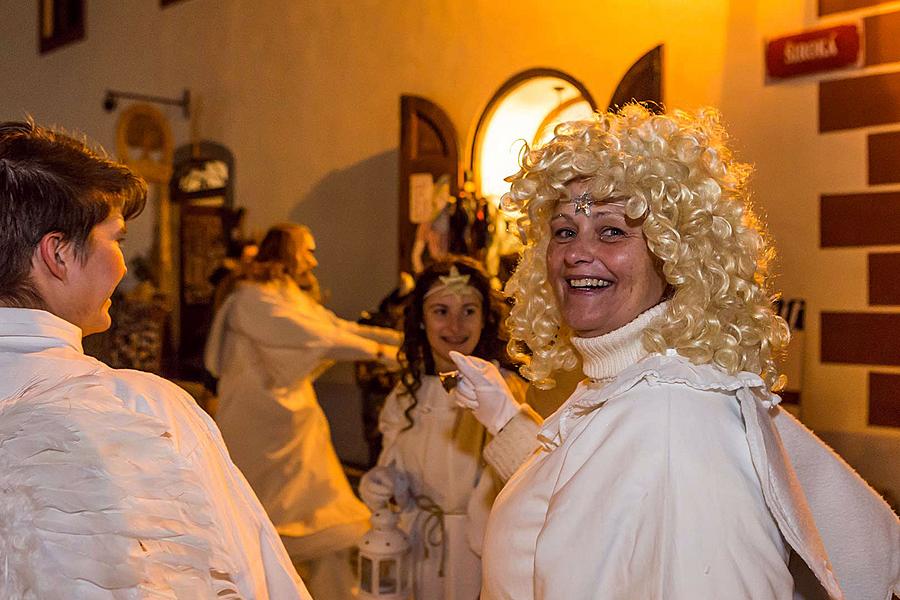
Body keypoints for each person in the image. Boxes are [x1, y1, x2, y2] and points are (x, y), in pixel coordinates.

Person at [449, 105, 900, 599]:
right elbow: (576, 514)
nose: (577, 252)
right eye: (564, 230)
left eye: (612, 230)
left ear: (675, 253)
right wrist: (504, 421)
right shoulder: (622, 390)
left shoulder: (674, 417)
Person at [0, 120, 310, 598]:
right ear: (57, 254)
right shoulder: (144, 411)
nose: (122, 264)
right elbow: (250, 577)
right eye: (116, 239)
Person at [204, 222, 402, 600]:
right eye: (307, 249)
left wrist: (396, 341)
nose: (313, 259)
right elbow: (315, 337)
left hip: (296, 427)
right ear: (287, 251)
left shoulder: (288, 294)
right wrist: (385, 354)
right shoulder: (252, 298)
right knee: (262, 520)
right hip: (258, 426)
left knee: (323, 515)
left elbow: (333, 325)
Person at [359, 256, 529, 600]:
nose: (455, 324)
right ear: (421, 321)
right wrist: (385, 484)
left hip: (474, 549)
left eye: (469, 311)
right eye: (440, 311)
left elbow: (517, 475)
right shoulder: (406, 394)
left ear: (486, 319)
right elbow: (396, 470)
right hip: (418, 540)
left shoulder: (501, 390)